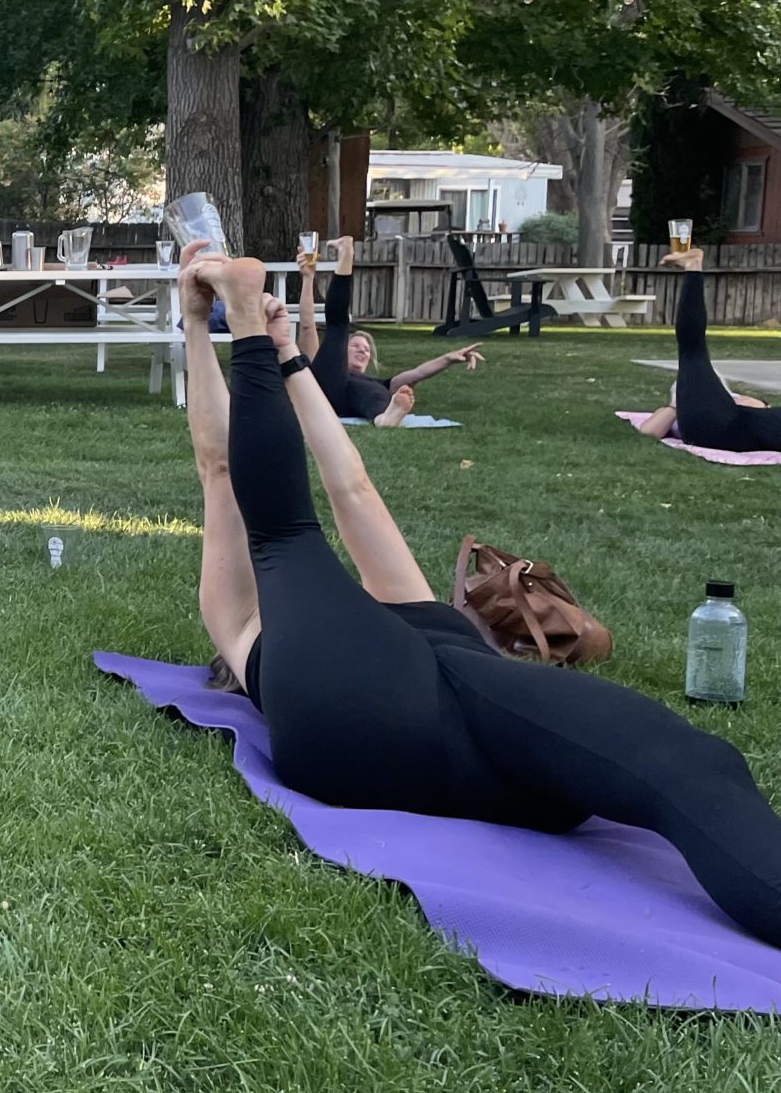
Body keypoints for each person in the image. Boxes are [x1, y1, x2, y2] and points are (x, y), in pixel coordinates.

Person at [180, 239, 781, 950]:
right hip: (416, 720)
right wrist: (222, 323)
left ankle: (249, 319)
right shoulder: (253, 625)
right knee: (281, 533)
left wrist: (281, 352)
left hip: (466, 753)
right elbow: (260, 477)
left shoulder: (288, 626)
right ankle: (243, 311)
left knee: (695, 763)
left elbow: (315, 482)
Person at [292, 236, 482, 426]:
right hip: (326, 392)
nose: (362, 350)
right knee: (339, 325)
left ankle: (385, 417)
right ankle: (346, 255)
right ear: (342, 348)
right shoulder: (320, 367)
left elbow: (418, 373)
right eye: (356, 345)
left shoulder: (379, 383)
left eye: (366, 349)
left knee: (375, 392)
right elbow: (308, 326)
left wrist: (448, 358)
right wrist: (308, 279)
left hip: (361, 402)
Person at [641, 249, 781, 451]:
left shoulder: (707, 409)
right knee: (692, 349)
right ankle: (693, 267)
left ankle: (693, 267)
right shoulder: (718, 410)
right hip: (721, 427)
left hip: (720, 426)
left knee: (692, 349)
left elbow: (648, 432)